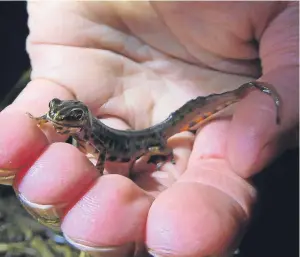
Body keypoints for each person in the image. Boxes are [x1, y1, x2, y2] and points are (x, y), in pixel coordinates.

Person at [0, 2, 298, 257]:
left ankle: (226, 104)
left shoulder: (96, 135)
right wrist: (41, 121)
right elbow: (55, 121)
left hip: (148, 140)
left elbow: (102, 155)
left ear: (83, 119)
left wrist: (154, 157)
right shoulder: (67, 121)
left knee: (157, 150)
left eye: (70, 117)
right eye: (54, 114)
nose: (58, 120)